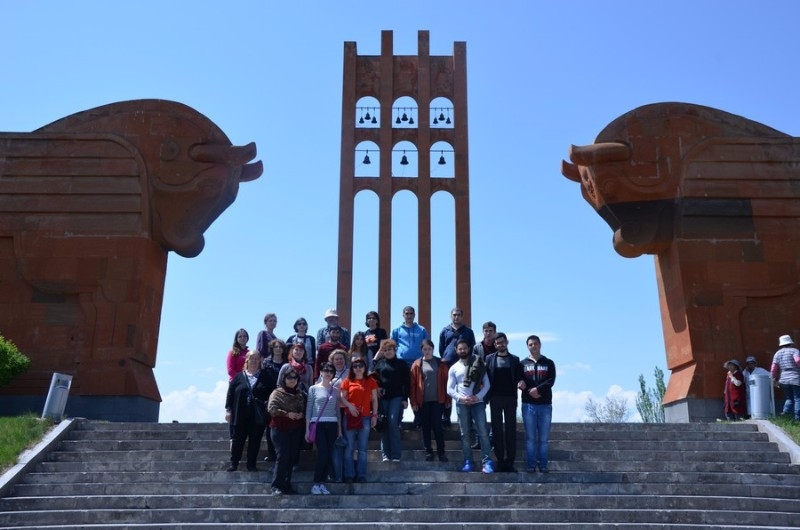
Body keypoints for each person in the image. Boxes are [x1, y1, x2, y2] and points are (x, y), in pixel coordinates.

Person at [446, 339, 493, 474]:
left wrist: (477, 397)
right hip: (462, 404)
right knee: (465, 434)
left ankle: (487, 462)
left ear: (469, 348)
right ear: (456, 350)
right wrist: (462, 398)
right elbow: (449, 389)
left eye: (464, 348)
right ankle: (468, 461)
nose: (462, 351)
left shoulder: (479, 363)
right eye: (460, 349)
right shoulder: (454, 368)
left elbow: (487, 384)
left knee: (483, 432)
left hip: (478, 403)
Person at [225, 350, 269, 472]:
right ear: (247, 361)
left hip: (257, 415)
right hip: (240, 413)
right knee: (238, 439)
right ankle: (234, 463)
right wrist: (228, 410)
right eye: (251, 359)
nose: (254, 361)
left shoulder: (265, 376)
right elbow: (230, 394)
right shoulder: (239, 376)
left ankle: (251, 464)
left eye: (256, 359)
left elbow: (271, 394)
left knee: (255, 440)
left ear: (260, 361)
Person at [485, 332, 524, 472]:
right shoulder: (489, 359)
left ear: (507, 342)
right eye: (497, 343)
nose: (500, 345)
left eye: (502, 342)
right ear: (495, 345)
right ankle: (500, 461)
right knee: (497, 430)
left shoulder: (515, 359)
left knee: (510, 430)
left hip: (510, 398)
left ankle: (510, 462)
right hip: (495, 398)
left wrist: (521, 382)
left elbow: (519, 377)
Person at [410, 338, 450, 462]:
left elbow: (447, 382)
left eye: (429, 349)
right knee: (425, 427)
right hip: (423, 401)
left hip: (438, 400)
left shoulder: (441, 363)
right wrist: (413, 402)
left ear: (433, 349)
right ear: (421, 350)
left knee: (437, 426)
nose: (427, 351)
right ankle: (428, 452)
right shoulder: (417, 364)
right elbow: (412, 385)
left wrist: (448, 399)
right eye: (425, 349)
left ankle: (441, 452)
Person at [267, 367, 306, 495]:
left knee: (291, 458)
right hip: (280, 429)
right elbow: (272, 408)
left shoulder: (300, 394)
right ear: (284, 379)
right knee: (282, 456)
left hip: (295, 429)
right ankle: (276, 486)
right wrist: (287, 414)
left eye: (295, 377)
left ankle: (286, 485)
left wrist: (300, 414)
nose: (292, 380)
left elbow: (303, 408)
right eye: (289, 377)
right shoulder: (277, 392)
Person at [520, 334, 556, 473]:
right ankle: (531, 465)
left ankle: (543, 465)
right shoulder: (522, 364)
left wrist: (538, 390)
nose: (533, 346)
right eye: (530, 344)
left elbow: (551, 380)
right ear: (527, 347)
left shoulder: (549, 362)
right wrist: (529, 390)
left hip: (545, 404)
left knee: (543, 438)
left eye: (535, 343)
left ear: (540, 345)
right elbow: (520, 381)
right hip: (528, 405)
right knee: (530, 438)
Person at [340, 357, 379, 483]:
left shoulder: (370, 381)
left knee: (362, 448)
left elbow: (374, 399)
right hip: (350, 416)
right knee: (349, 447)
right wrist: (349, 406)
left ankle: (361, 474)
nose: (358, 368)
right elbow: (342, 397)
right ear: (352, 368)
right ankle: (349, 475)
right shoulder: (347, 381)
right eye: (355, 366)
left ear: (364, 367)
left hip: (365, 417)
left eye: (360, 365)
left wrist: (374, 415)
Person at [372, 338, 411, 462]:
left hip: (397, 397)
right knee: (384, 424)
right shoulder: (380, 364)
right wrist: (377, 388)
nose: (388, 352)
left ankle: (395, 454)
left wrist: (405, 398)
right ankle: (385, 454)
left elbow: (407, 382)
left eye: (390, 349)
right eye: (385, 350)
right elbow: (373, 379)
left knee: (393, 422)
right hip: (383, 398)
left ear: (395, 350)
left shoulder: (401, 363)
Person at [306, 362, 341, 495]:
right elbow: (309, 409)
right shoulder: (313, 388)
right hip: (318, 424)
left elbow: (337, 411)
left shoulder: (335, 390)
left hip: (332, 424)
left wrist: (339, 429)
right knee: (323, 453)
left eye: (331, 371)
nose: (328, 373)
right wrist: (307, 429)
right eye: (326, 370)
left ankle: (322, 483)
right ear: (321, 372)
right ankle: (316, 482)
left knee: (329, 454)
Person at [261, 339, 287, 462]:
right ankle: (272, 453)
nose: (278, 349)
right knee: (270, 426)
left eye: (280, 347)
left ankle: (282, 453)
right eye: (276, 347)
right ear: (272, 349)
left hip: (284, 397)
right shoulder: (266, 363)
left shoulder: (287, 363)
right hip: (269, 397)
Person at [326, 349, 349, 482]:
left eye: (341, 358)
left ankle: (346, 473)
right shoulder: (327, 372)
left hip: (347, 410)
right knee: (335, 443)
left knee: (347, 443)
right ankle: (336, 474)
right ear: (332, 361)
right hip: (332, 411)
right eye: (336, 359)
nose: (339, 361)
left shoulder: (350, 373)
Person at [226, 328, 250, 439]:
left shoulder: (249, 352)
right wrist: (241, 379)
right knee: (234, 411)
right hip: (235, 384)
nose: (242, 338)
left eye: (244, 336)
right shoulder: (232, 352)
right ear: (236, 338)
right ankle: (233, 436)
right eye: (240, 336)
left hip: (248, 384)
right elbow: (230, 370)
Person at [771, 334, 800, 421]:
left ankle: (785, 413)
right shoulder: (795, 351)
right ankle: (797, 418)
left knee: (789, 398)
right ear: (790, 343)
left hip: (783, 379)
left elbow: (773, 368)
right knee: (797, 398)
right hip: (795, 378)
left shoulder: (777, 354)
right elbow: (798, 360)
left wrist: (773, 380)